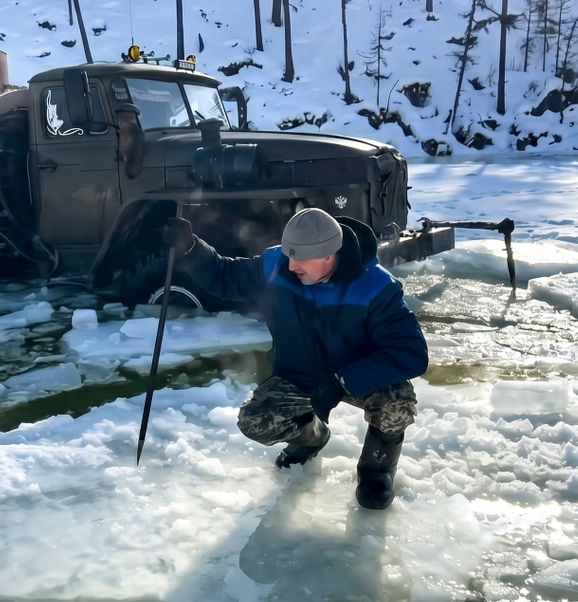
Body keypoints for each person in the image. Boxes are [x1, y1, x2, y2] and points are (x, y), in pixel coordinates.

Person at [160, 208, 428, 510]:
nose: (291, 264)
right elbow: (225, 276)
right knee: (256, 420)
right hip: (299, 375)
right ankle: (312, 437)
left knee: (397, 401)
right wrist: (191, 249)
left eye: (299, 257)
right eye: (289, 253)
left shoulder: (376, 287)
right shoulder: (277, 266)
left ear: (329, 254)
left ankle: (376, 471)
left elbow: (411, 353)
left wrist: (343, 381)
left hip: (358, 376)